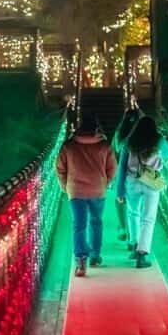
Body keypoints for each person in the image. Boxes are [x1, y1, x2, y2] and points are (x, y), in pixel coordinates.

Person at [56, 112, 117, 277]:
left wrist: (65, 186)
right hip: (98, 190)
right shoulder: (104, 146)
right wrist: (105, 182)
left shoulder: (68, 146)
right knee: (96, 222)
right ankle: (95, 256)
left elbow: (60, 168)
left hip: (76, 191)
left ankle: (81, 261)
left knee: (79, 225)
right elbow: (113, 167)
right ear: (96, 127)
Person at [122, 116, 167, 269]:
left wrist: (119, 190)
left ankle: (134, 245)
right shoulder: (159, 140)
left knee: (133, 213)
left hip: (132, 180)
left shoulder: (131, 140)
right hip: (151, 182)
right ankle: (142, 255)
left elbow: (123, 162)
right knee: (148, 218)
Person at [111, 107, 143, 241]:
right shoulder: (142, 134)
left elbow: (113, 150)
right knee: (136, 209)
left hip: (120, 171)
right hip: (141, 175)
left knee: (120, 200)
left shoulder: (120, 133)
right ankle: (134, 236)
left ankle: (123, 227)